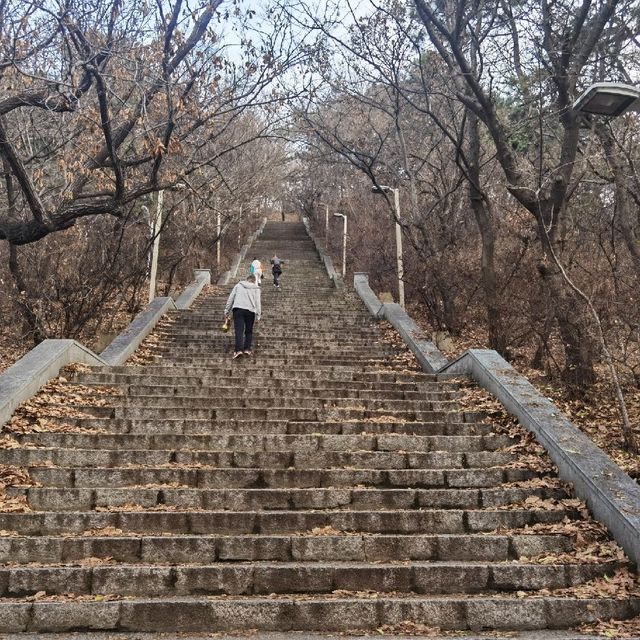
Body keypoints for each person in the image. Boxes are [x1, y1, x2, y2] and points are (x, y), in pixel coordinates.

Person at [224, 273, 261, 359]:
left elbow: (231, 298)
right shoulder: (256, 289)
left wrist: (226, 311)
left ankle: (238, 350)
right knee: (248, 331)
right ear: (254, 281)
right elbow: (258, 303)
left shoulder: (238, 285)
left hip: (238, 310)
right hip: (250, 311)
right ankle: (247, 349)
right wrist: (258, 315)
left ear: (246, 279)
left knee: (239, 330)